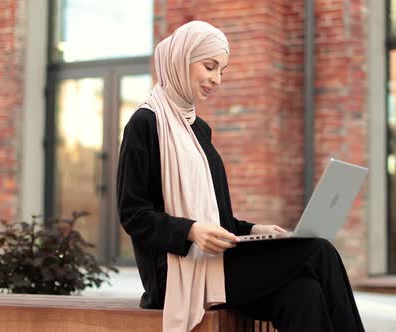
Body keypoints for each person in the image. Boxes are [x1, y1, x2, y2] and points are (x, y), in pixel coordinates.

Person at [117, 20, 365, 332]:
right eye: (209, 66)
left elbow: (218, 219)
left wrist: (255, 229)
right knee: (317, 251)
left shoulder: (198, 129)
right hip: (178, 271)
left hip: (217, 263)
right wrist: (190, 231)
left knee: (304, 294)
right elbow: (133, 214)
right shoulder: (144, 124)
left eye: (221, 70)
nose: (216, 79)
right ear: (181, 60)